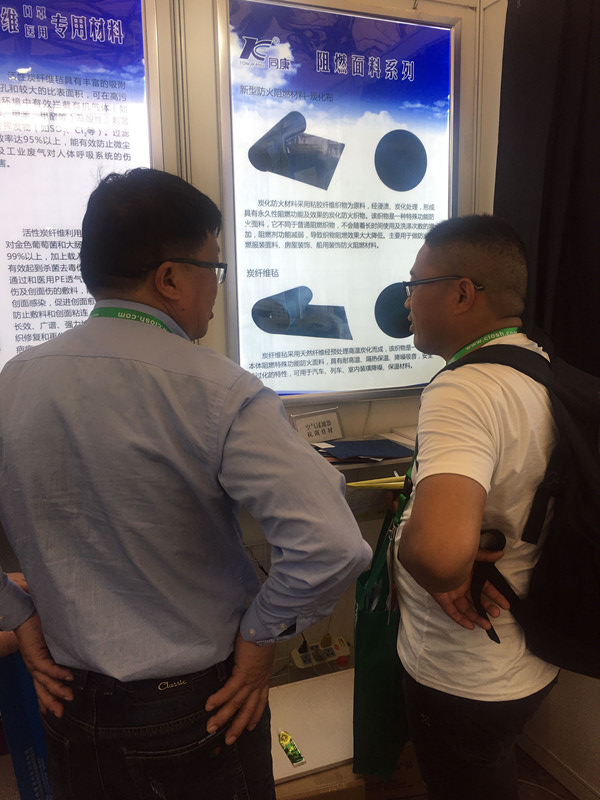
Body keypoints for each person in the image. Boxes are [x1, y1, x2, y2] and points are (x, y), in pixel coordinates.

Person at [0, 167, 371, 800]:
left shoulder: (13, 381)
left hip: (68, 703)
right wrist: (260, 639)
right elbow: (333, 546)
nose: (217, 290)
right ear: (170, 278)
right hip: (198, 710)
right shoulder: (220, 390)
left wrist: (21, 620)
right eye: (214, 268)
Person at [393, 215, 559, 800]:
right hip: (526, 656)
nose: (406, 300)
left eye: (415, 284)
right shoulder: (541, 370)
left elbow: (439, 557)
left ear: (462, 293)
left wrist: (427, 554)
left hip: (463, 670)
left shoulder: (465, 388)